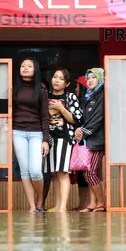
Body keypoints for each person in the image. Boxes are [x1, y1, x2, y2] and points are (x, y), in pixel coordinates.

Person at [12, 58, 50, 213]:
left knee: (35, 170)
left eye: (29, 66)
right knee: (24, 171)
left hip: (36, 133)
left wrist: (46, 140)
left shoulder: (41, 90)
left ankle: (40, 199)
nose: (25, 68)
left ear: (35, 70)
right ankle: (31, 206)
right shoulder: (13, 88)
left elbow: (45, 117)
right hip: (17, 132)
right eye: (23, 66)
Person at [44, 69, 82, 212]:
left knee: (62, 172)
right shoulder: (45, 96)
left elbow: (76, 119)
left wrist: (61, 108)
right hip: (49, 139)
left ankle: (63, 206)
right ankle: (57, 204)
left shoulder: (70, 96)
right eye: (55, 77)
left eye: (61, 78)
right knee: (54, 173)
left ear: (67, 83)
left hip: (64, 138)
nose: (56, 80)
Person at [75, 68, 107, 212]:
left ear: (100, 79)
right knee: (87, 171)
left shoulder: (102, 95)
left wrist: (83, 132)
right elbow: (84, 119)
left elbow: (98, 118)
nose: (90, 80)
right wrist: (79, 129)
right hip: (89, 139)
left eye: (93, 77)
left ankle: (101, 203)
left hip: (97, 140)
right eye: (88, 78)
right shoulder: (89, 96)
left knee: (90, 172)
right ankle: (93, 203)